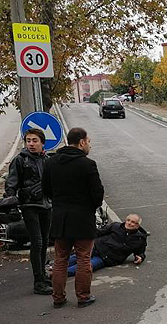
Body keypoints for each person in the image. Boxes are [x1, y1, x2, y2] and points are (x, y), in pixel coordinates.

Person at [42, 127, 105, 308]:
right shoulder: (87, 164)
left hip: (60, 218)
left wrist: (60, 204)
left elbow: (46, 190)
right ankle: (83, 297)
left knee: (60, 259)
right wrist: (89, 207)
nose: (89, 146)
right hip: (83, 219)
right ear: (82, 142)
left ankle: (58, 298)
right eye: (89, 142)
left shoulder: (51, 163)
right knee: (83, 258)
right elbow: (97, 193)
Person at [5, 128, 53, 295]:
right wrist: (11, 204)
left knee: (45, 242)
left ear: (42, 143)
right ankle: (38, 280)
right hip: (29, 206)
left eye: (35, 141)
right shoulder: (20, 160)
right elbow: (11, 185)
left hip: (46, 205)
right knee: (37, 242)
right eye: (28, 141)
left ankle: (43, 275)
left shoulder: (47, 159)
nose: (31, 144)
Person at [66, 214, 148, 276]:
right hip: (96, 247)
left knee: (86, 267)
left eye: (133, 222)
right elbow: (99, 232)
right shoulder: (116, 226)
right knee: (75, 257)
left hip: (106, 258)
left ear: (137, 225)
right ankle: (55, 267)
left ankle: (56, 274)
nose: (129, 223)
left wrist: (140, 257)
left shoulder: (139, 239)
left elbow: (140, 252)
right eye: (128, 220)